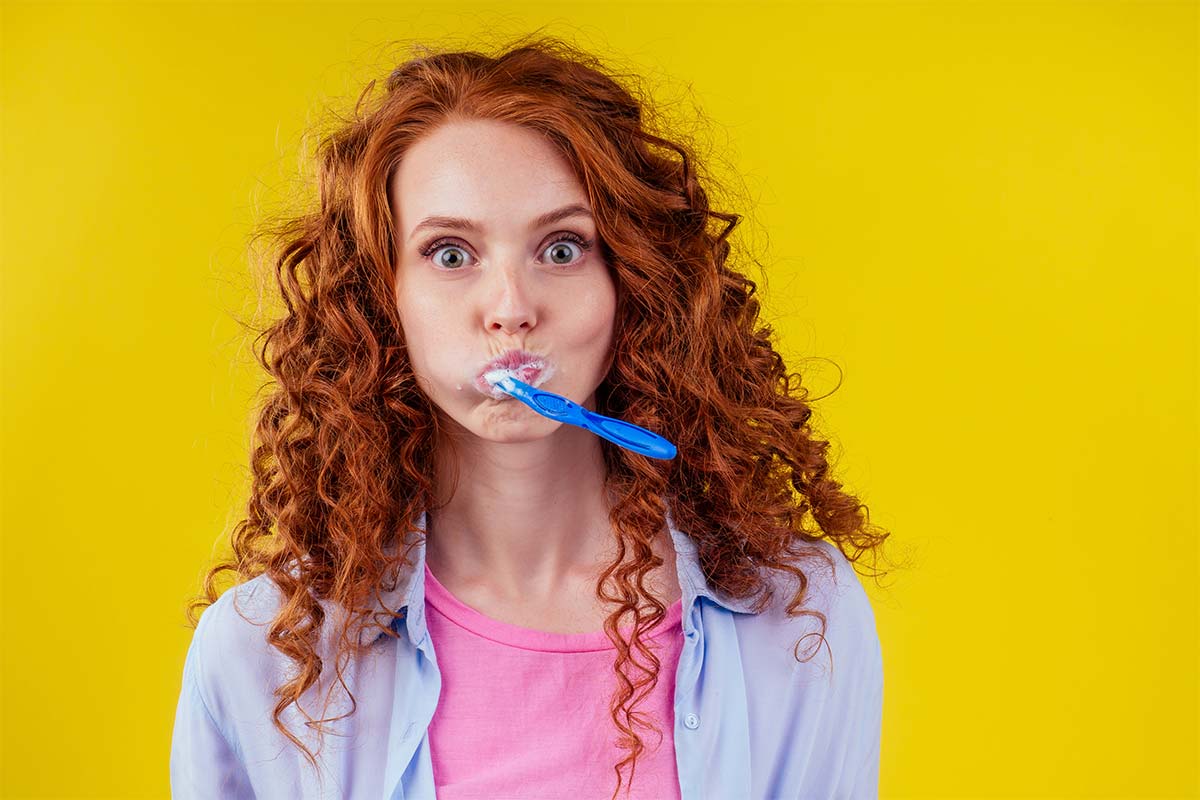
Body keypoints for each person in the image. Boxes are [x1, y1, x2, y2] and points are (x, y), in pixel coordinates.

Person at [170, 33, 894, 800]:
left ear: (633, 285)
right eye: (451, 254)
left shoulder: (800, 621)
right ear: (383, 302)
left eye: (561, 249)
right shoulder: (266, 658)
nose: (512, 310)